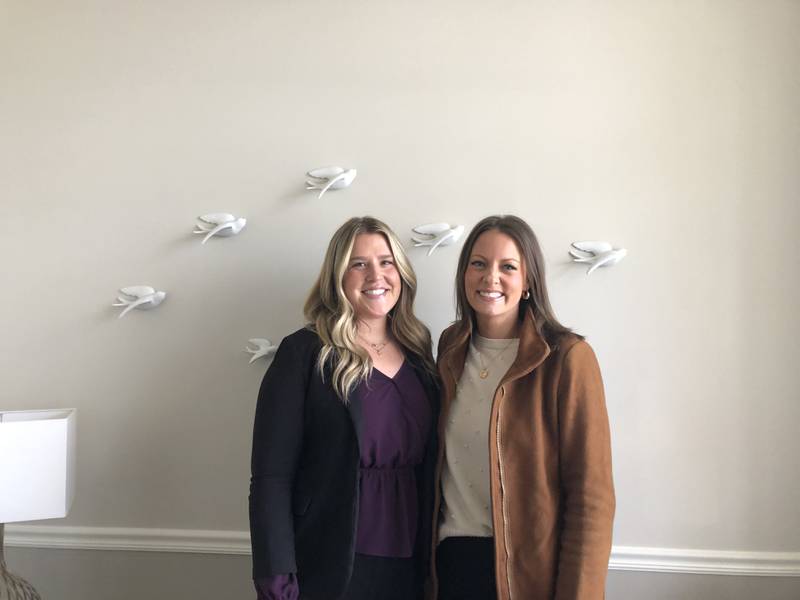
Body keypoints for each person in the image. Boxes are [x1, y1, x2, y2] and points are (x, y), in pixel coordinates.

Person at [249, 216, 439, 600]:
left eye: (386, 262)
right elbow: (271, 476)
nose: (376, 275)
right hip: (329, 559)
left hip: (413, 559)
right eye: (359, 264)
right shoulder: (304, 352)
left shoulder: (421, 353)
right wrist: (275, 571)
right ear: (338, 276)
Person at [432, 215, 615, 600]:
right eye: (478, 264)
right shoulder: (450, 348)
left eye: (508, 267)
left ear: (529, 280)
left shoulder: (567, 358)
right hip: (450, 567)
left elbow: (591, 499)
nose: (490, 278)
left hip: (527, 577)